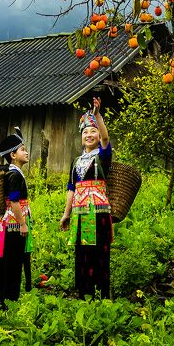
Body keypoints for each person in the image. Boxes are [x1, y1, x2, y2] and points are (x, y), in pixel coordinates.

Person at [60, 97, 113, 299]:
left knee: (99, 253)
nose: (89, 135)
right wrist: (66, 214)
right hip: (80, 215)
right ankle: (84, 295)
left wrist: (97, 116)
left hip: (98, 213)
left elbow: (107, 140)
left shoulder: (103, 156)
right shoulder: (76, 161)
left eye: (93, 131)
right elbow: (71, 188)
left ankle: (101, 296)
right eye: (85, 132)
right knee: (82, 254)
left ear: (99, 135)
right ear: (81, 137)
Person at [0, 128, 32, 305]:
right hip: (15, 224)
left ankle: (2, 293)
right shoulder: (14, 175)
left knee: (6, 258)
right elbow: (14, 201)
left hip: (8, 223)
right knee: (13, 260)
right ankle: (9, 297)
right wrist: (23, 224)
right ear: (13, 155)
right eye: (23, 149)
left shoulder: (11, 172)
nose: (27, 152)